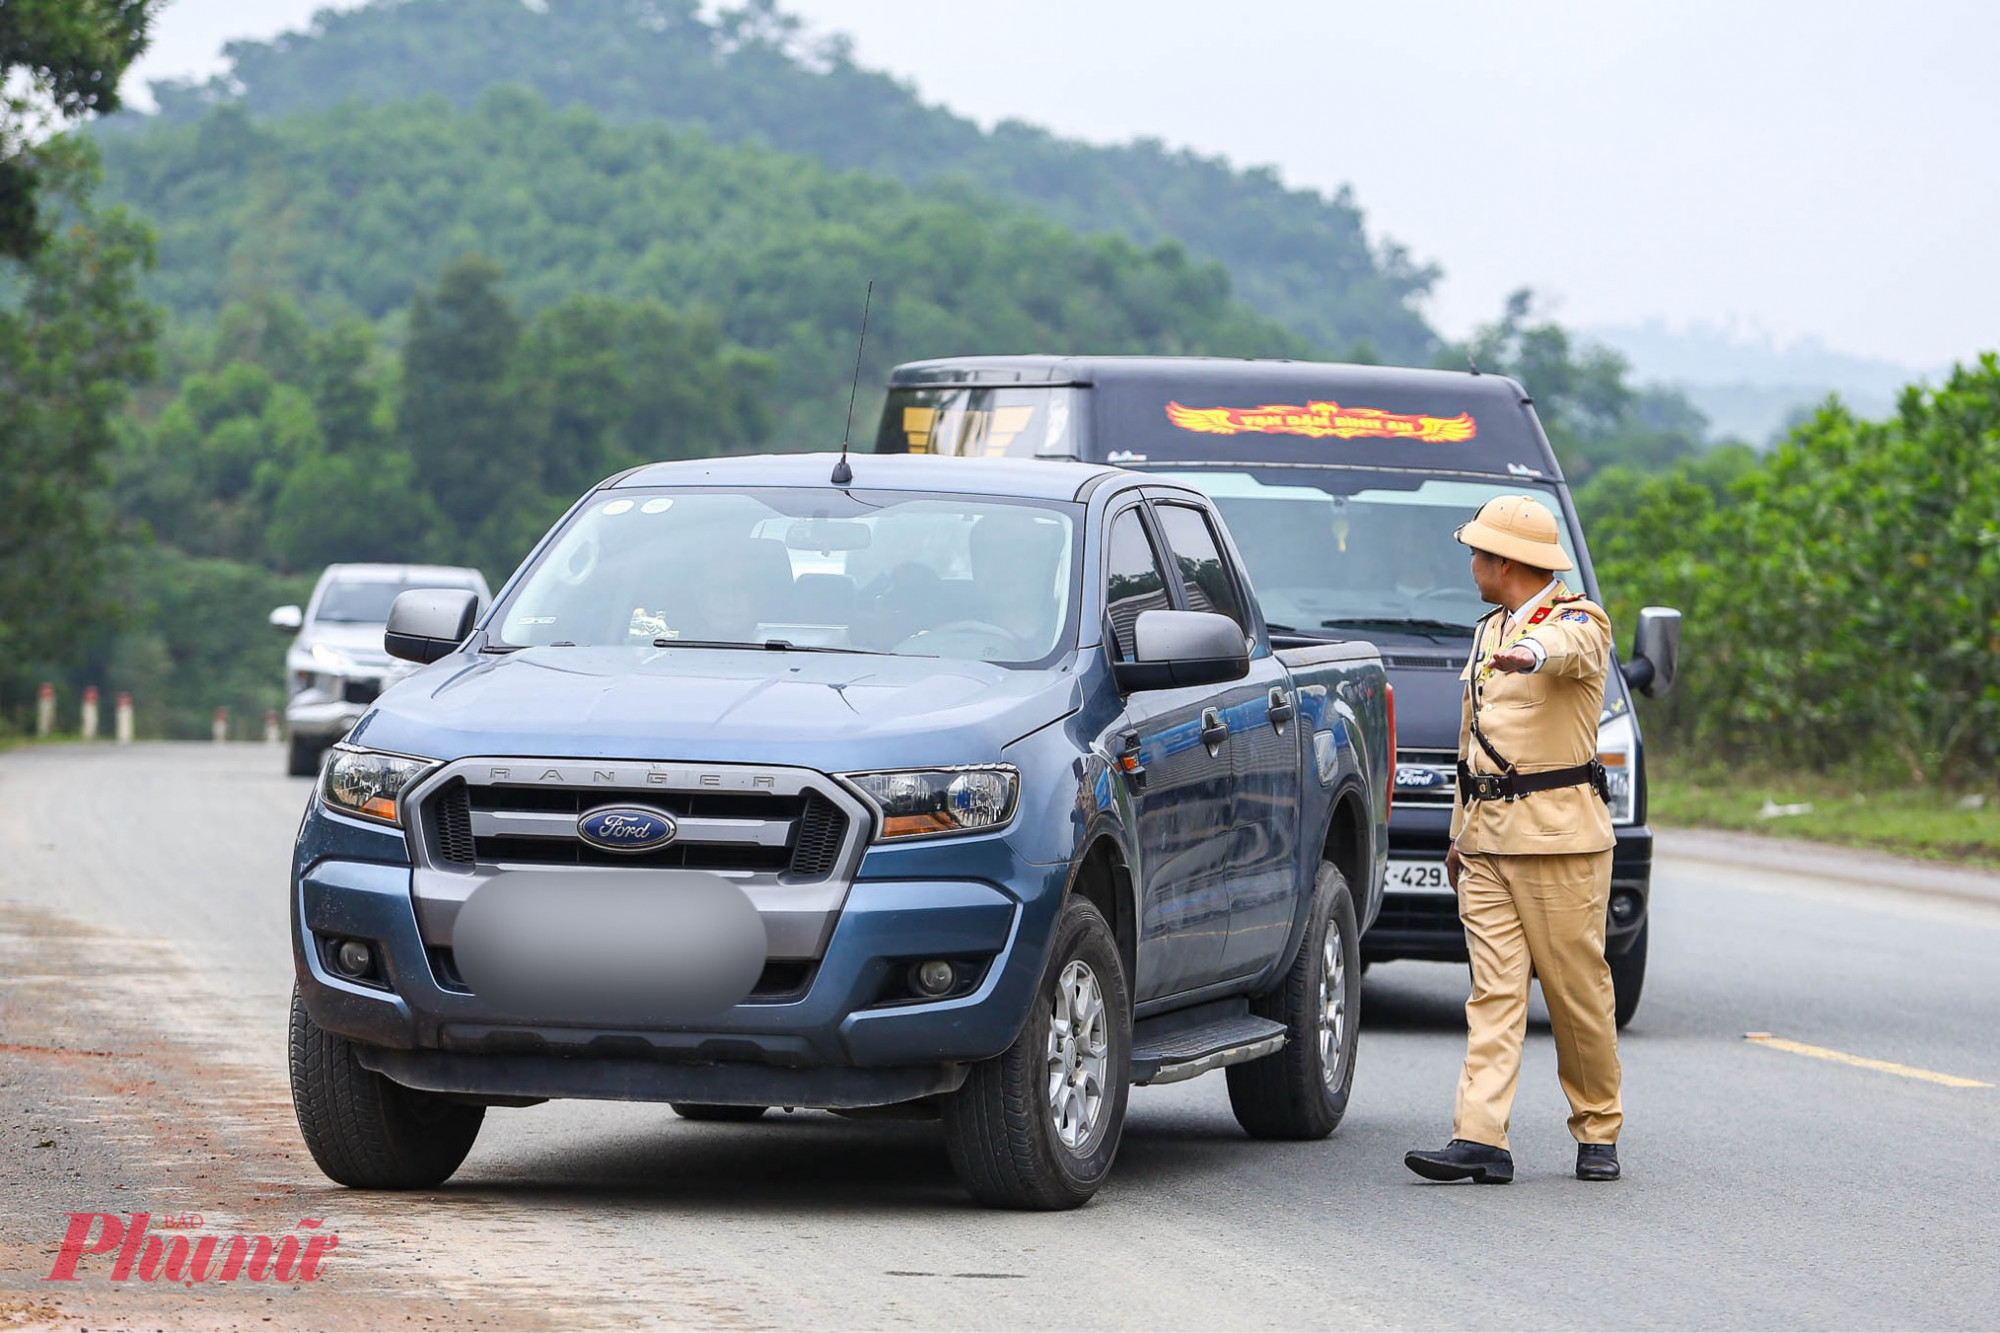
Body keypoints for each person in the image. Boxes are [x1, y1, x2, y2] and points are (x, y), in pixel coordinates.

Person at [1404, 494, 1623, 1185]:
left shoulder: (1579, 621)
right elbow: (1472, 747)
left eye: (1478, 553)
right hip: (1489, 844)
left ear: (1508, 561)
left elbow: (1564, 649)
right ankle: (1481, 1138)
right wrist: (1456, 836)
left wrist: (1532, 650)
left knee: (1574, 994)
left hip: (1561, 843)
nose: (1471, 564)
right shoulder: (1487, 629)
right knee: (1493, 994)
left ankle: (1598, 1126)